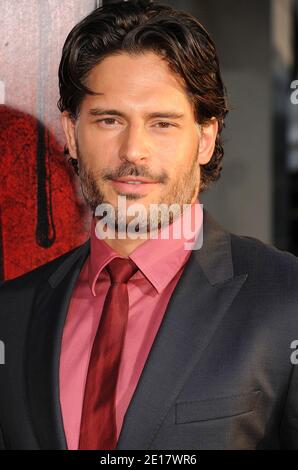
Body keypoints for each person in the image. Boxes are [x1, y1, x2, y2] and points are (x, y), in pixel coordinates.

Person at [0, 0, 298, 451]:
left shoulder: (286, 297)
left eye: (162, 123)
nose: (133, 151)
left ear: (205, 138)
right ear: (72, 131)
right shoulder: (12, 313)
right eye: (109, 119)